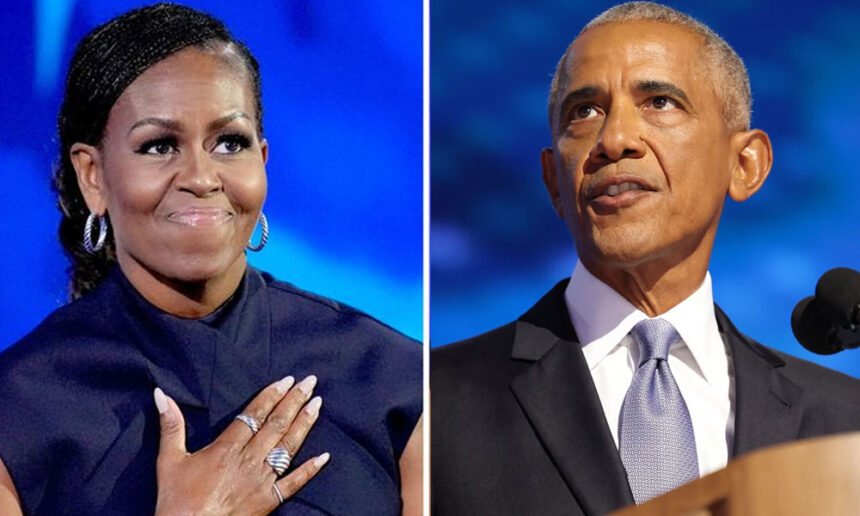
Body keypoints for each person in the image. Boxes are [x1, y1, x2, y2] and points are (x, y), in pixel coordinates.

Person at [430, 2, 860, 514]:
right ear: (554, 184)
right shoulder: (435, 402)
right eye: (583, 111)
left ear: (745, 164)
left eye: (659, 102)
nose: (613, 141)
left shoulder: (842, 418)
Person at [0, 4, 422, 515]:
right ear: (93, 176)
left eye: (229, 142)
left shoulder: (396, 380)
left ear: (262, 161)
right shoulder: (18, 409)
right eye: (158, 146)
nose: (201, 177)